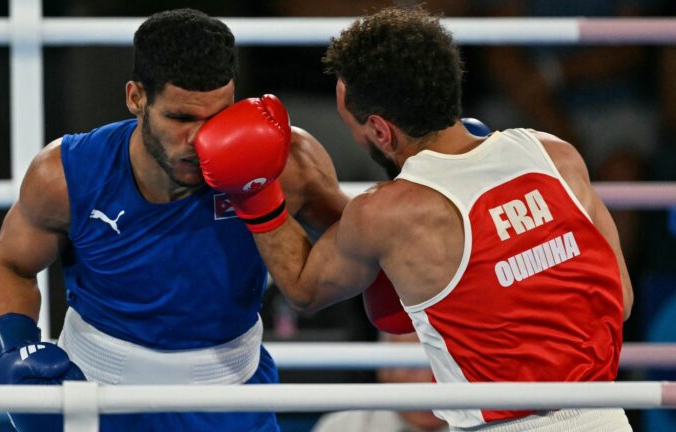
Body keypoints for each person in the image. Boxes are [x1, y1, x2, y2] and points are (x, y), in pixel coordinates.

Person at [196, 7, 634, 431]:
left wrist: (255, 194)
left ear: (382, 131)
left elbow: (304, 290)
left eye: (353, 123)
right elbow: (621, 298)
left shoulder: (386, 214)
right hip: (609, 418)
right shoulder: (555, 154)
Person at [0, 8, 350, 432]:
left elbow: (355, 245)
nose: (200, 140)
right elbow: (11, 265)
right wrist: (13, 348)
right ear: (136, 97)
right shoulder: (65, 175)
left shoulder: (288, 162)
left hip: (232, 396)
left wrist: (266, 199)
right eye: (181, 118)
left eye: (216, 118)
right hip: (98, 392)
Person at [312, 332, 449, 432]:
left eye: (441, 366)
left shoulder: (470, 422)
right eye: (411, 367)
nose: (425, 381)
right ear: (383, 370)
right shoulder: (342, 428)